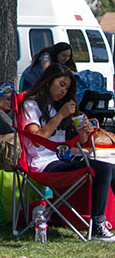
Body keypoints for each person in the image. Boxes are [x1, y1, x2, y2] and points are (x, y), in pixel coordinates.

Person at [20, 64, 115, 242]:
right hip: (43, 165)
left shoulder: (57, 108)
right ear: (48, 82)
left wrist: (83, 131)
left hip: (62, 159)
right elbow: (37, 138)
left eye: (67, 87)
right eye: (61, 84)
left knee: (111, 168)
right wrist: (61, 116)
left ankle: (102, 223)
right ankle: (97, 227)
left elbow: (79, 142)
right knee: (102, 169)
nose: (64, 91)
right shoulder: (31, 105)